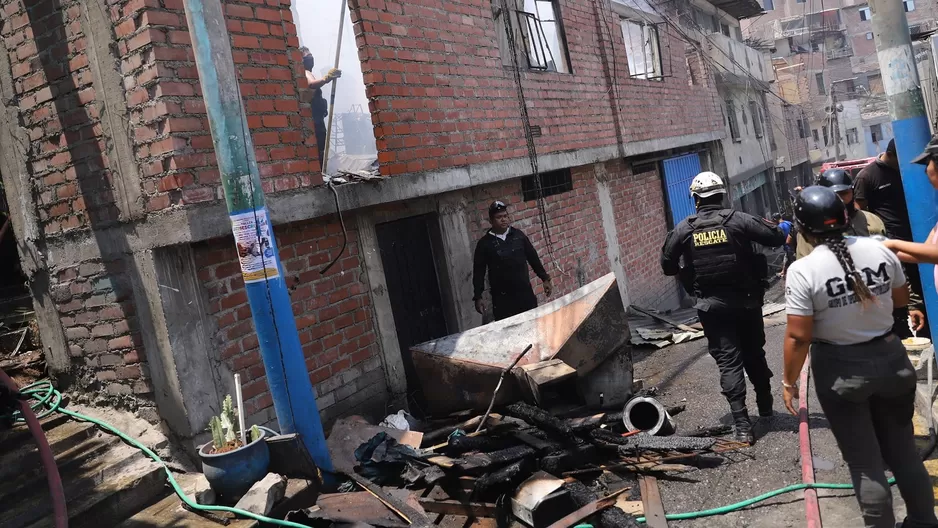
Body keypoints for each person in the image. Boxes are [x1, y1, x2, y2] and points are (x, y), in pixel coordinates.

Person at [782, 186, 938, 528]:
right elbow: (899, 301)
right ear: (846, 216)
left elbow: (798, 335)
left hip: (841, 371)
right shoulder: (881, 249)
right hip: (892, 360)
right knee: (903, 453)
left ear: (802, 229)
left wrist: (789, 381)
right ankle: (925, 521)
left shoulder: (803, 271)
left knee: (865, 463)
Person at [660, 172, 786, 444]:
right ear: (722, 195)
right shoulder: (738, 220)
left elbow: (667, 265)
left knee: (729, 362)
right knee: (754, 353)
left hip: (712, 307)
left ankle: (742, 425)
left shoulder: (684, 229)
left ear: (695, 199)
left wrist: (690, 272)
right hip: (747, 302)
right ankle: (766, 408)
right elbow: (776, 237)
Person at [855, 139, 929, 337]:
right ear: (894, 155)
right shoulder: (867, 176)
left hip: (918, 237)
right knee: (903, 290)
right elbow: (859, 213)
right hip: (890, 243)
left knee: (924, 289)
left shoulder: (906, 170)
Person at [472, 201, 552, 321]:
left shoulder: (518, 236)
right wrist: (478, 296)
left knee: (534, 326)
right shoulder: (484, 244)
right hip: (503, 301)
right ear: (491, 221)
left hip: (525, 295)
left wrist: (545, 278)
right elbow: (479, 272)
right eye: (499, 217)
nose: (503, 220)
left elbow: (533, 258)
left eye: (505, 216)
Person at [300, 47, 341, 162]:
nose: (310, 58)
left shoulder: (309, 72)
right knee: (319, 146)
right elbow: (312, 84)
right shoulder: (305, 72)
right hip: (314, 119)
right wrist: (327, 78)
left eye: (311, 55)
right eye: (307, 56)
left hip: (317, 117)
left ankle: (322, 171)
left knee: (321, 145)